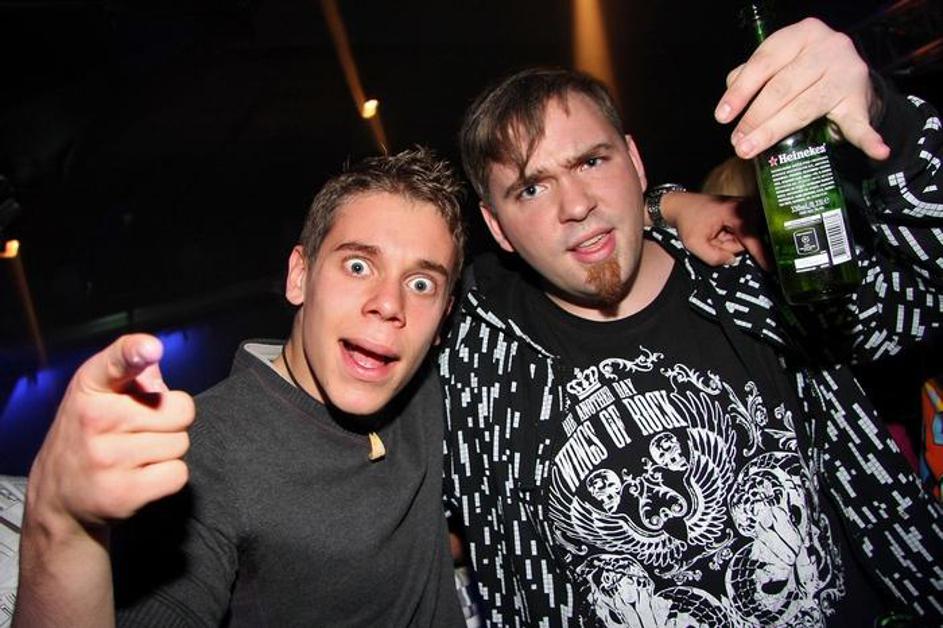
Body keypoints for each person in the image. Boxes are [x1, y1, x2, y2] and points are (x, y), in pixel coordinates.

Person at [439, 17, 943, 626]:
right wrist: (667, 205)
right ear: (497, 228)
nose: (576, 205)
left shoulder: (755, 274)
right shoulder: (472, 363)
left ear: (635, 162)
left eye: (592, 161)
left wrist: (890, 120)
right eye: (531, 190)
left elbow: (921, 300)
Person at [13, 148, 468, 626]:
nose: (389, 304)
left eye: (421, 284)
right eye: (358, 266)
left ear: (443, 319)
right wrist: (58, 530)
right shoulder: (206, 457)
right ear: (300, 276)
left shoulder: (424, 388)